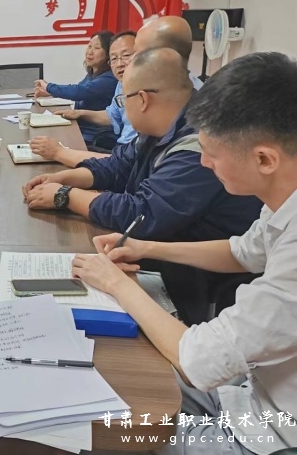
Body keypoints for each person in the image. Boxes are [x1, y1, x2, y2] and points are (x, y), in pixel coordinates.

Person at [72, 52, 297, 455]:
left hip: (272, 435)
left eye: (211, 153)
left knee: (110, 438)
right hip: (251, 393)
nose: (204, 163)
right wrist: (145, 247)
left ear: (264, 158)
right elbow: (243, 251)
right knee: (110, 380)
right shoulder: (283, 197)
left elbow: (198, 360)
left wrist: (117, 285)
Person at [23, 48, 262, 322]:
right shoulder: (158, 129)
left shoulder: (199, 145)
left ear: (143, 99)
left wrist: (65, 196)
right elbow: (117, 166)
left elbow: (142, 213)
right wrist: (64, 178)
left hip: (197, 279)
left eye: (122, 99)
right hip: (165, 250)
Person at [31, 31, 136, 166]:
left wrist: (49, 87)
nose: (120, 63)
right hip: (120, 152)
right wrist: (81, 113)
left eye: (126, 56)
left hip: (118, 152)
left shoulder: (121, 82)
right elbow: (112, 114)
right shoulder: (120, 83)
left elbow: (80, 91)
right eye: (114, 58)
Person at [34, 31, 118, 147]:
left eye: (97, 48)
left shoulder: (109, 78)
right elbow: (79, 90)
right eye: (89, 46)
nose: (90, 52)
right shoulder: (93, 74)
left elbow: (80, 91)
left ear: (109, 53)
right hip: (80, 129)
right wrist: (49, 93)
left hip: (95, 136)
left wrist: (49, 87)